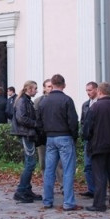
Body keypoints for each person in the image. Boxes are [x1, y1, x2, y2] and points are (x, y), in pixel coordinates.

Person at [38, 74, 80, 211]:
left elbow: (39, 122)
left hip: (50, 138)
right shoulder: (67, 100)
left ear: (52, 84)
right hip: (65, 136)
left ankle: (47, 201)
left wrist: (44, 136)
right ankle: (68, 202)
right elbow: (73, 121)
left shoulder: (44, 101)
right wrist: (74, 136)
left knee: (49, 171)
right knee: (67, 170)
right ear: (64, 85)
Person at [82, 82, 110, 211]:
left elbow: (87, 129)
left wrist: (88, 139)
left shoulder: (94, 107)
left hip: (98, 146)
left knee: (99, 175)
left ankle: (99, 204)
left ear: (99, 91)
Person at [11, 80, 44, 203]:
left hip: (28, 134)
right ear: (29, 89)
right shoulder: (22, 101)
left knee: (30, 163)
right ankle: (21, 191)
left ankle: (27, 190)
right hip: (26, 134)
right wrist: (36, 124)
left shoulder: (26, 100)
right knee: (30, 163)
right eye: (35, 88)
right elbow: (21, 118)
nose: (37, 91)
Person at [35, 79, 62, 183]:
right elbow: (35, 118)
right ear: (44, 88)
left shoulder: (60, 99)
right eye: (48, 86)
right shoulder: (38, 101)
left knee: (59, 162)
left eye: (52, 86)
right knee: (43, 162)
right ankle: (47, 183)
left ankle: (62, 184)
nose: (51, 88)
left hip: (56, 134)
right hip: (43, 135)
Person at [79, 81, 98, 198]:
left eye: (90, 90)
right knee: (87, 165)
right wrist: (83, 132)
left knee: (99, 166)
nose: (88, 92)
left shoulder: (100, 103)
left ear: (96, 89)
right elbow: (83, 121)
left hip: (98, 139)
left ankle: (99, 190)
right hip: (88, 139)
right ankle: (91, 189)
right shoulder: (85, 105)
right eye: (86, 90)